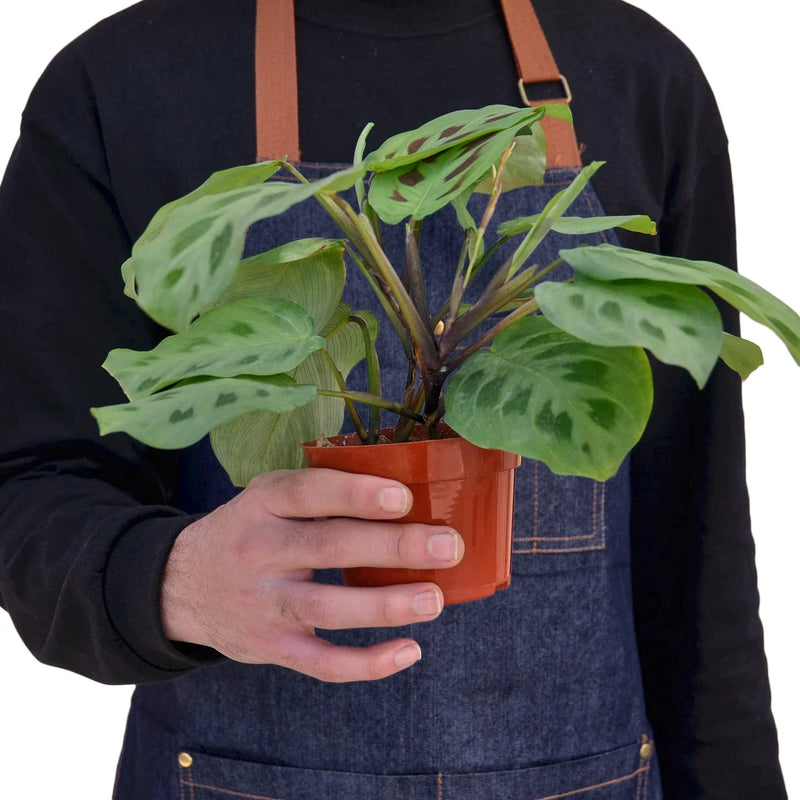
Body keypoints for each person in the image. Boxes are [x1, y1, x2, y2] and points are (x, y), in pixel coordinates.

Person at [0, 0, 787, 797]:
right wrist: (173, 583)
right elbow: (30, 485)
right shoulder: (120, 80)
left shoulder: (640, 75)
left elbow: (698, 538)